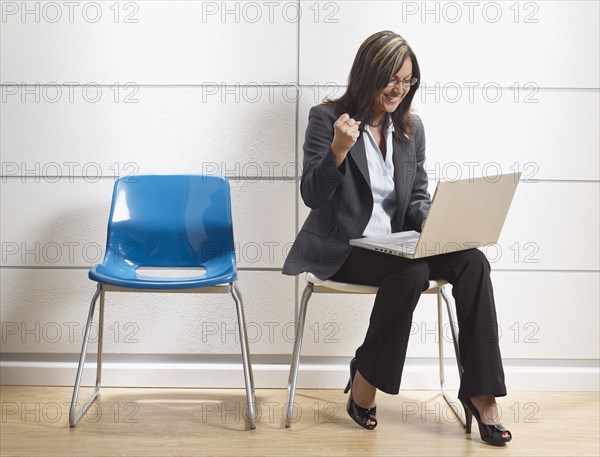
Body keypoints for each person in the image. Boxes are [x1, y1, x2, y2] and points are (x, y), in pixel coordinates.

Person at [282, 30, 512, 445]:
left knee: (473, 261)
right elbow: (311, 195)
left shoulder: (410, 128)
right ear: (368, 73)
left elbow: (416, 199)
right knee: (412, 272)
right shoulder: (328, 118)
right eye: (392, 78)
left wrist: (440, 224)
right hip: (345, 247)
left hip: (400, 245)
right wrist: (336, 151)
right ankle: (366, 379)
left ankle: (481, 392)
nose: (399, 89)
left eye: (407, 81)